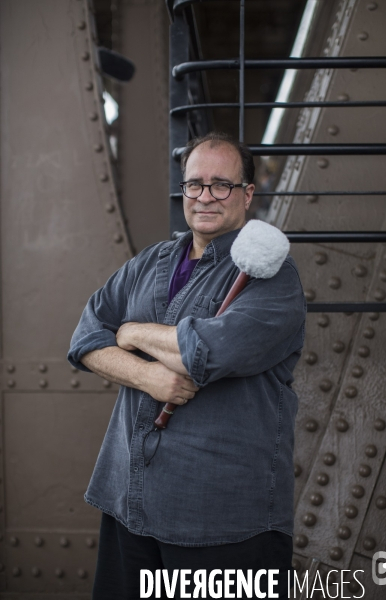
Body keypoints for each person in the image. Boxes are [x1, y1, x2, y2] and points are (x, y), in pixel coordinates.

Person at [68, 131, 306, 599]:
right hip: (128, 501)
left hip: (220, 519)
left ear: (247, 194)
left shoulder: (273, 277)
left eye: (221, 184)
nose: (205, 196)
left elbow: (210, 350)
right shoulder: (149, 262)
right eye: (195, 184)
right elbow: (83, 339)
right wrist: (149, 376)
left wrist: (132, 331)